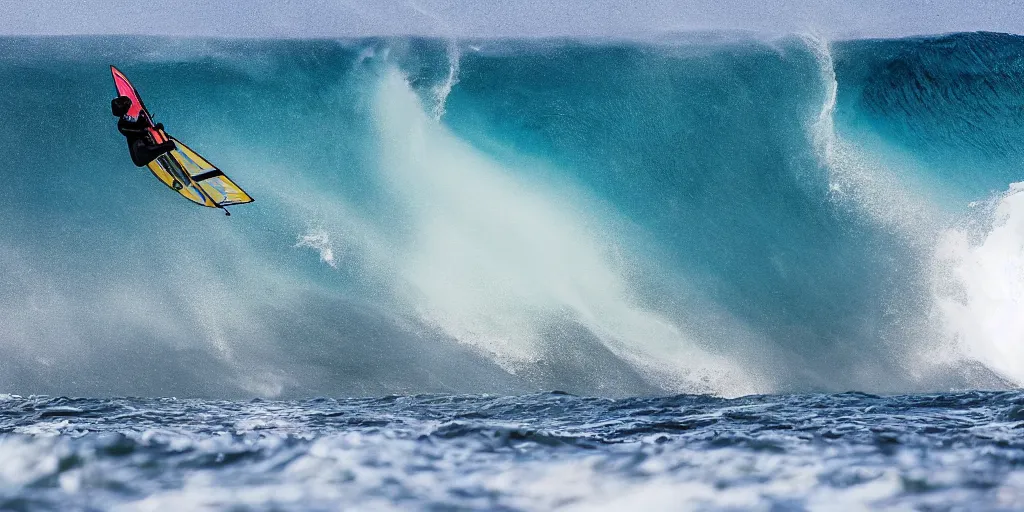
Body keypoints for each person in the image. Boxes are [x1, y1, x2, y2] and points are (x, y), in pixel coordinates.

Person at [111, 95, 176, 167]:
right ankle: (167, 158)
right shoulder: (122, 126)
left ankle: (163, 152)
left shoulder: (138, 116)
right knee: (170, 144)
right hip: (142, 154)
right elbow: (142, 131)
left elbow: (151, 126)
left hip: (150, 144)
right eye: (131, 106)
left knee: (166, 140)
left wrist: (158, 127)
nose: (134, 108)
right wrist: (147, 128)